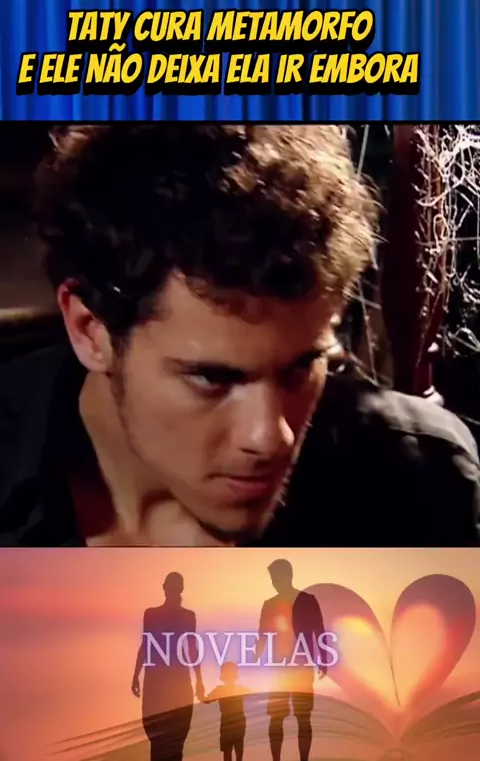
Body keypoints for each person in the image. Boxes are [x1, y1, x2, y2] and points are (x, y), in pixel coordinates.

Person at [0, 123, 478, 547]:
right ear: (90, 331)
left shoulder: (420, 480)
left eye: (301, 366)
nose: (270, 438)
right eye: (212, 379)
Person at [256, 559, 326, 761]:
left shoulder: (307, 600)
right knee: (277, 717)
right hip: (280, 668)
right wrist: (255, 655)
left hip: (300, 667)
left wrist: (323, 660)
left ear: (288, 576)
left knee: (302, 717)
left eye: (276, 578)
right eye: (272, 579)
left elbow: (319, 631)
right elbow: (262, 634)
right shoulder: (270, 605)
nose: (274, 582)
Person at [131, 571, 204, 761]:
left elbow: (192, 649)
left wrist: (199, 680)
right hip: (160, 683)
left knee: (171, 742)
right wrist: (136, 675)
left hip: (172, 683)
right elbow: (146, 645)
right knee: (163, 741)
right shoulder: (152, 614)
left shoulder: (186, 616)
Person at [202, 661, 250, 761]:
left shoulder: (220, 690)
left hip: (229, 722)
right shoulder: (240, 689)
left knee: (229, 749)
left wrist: (200, 693)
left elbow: (206, 700)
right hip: (235, 722)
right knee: (236, 748)